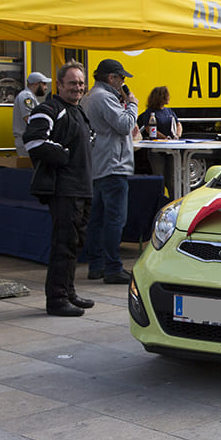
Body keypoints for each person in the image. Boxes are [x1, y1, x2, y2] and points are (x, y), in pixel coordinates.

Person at [22, 60, 95, 317]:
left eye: (81, 83)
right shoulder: (50, 108)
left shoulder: (79, 111)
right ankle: (56, 300)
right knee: (64, 244)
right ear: (59, 85)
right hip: (65, 190)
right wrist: (64, 155)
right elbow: (33, 141)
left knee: (75, 244)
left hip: (83, 188)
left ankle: (69, 292)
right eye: (73, 83)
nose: (78, 88)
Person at [83, 58, 138, 285]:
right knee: (115, 218)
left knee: (96, 218)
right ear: (111, 78)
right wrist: (133, 104)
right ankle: (113, 266)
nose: (123, 83)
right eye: (121, 78)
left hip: (97, 164)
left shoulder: (90, 96)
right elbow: (125, 125)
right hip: (113, 164)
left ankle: (96, 265)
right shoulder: (105, 97)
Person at [137, 86, 182, 199]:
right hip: (157, 149)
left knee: (172, 179)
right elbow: (150, 129)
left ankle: (174, 201)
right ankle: (159, 202)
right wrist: (165, 137)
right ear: (160, 97)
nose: (169, 97)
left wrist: (177, 135)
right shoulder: (150, 113)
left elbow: (178, 124)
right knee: (160, 177)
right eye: (166, 95)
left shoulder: (169, 111)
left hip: (171, 148)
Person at [13, 71, 52, 157]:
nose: (46, 88)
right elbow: (29, 118)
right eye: (44, 84)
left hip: (28, 140)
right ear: (35, 84)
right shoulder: (26, 97)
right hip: (26, 141)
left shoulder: (30, 97)